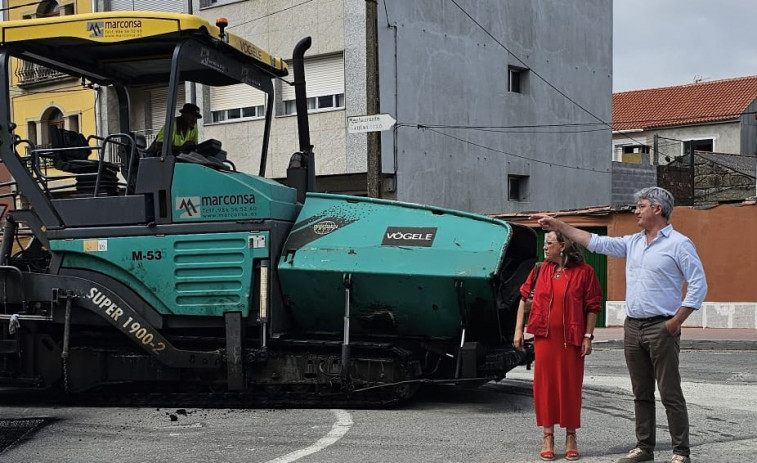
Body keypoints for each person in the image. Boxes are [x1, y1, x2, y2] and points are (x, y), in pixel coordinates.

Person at [532, 186, 707, 463]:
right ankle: (644, 448)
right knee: (640, 392)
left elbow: (698, 284)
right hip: (633, 326)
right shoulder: (633, 243)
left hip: (662, 326)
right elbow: (594, 242)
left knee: (670, 391)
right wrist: (557, 224)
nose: (636, 211)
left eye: (641, 206)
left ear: (657, 209)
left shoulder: (679, 244)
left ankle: (680, 451)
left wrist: (675, 322)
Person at [513, 231, 602, 461]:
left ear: (562, 246)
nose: (545, 247)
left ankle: (571, 436)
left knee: (570, 387)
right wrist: (518, 330)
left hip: (571, 340)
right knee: (545, 387)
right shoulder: (540, 270)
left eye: (549, 243)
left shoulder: (585, 273)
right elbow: (523, 299)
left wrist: (588, 336)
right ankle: (547, 436)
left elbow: (592, 306)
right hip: (545, 338)